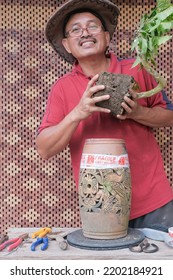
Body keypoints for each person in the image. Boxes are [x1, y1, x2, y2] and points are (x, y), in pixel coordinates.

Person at [36, 0, 173, 231]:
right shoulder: (62, 88)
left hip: (154, 202)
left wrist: (137, 112)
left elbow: (169, 117)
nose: (85, 33)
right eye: (76, 29)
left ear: (107, 38)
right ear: (67, 45)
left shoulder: (136, 70)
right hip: (100, 206)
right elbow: (44, 149)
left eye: (93, 26)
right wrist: (78, 113)